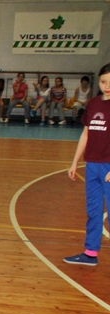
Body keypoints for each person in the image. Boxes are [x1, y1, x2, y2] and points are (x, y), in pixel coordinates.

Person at [64, 63, 110, 266]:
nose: (107, 86)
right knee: (93, 211)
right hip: (92, 165)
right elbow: (86, 134)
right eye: (103, 82)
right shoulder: (93, 104)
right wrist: (74, 162)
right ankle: (90, 253)